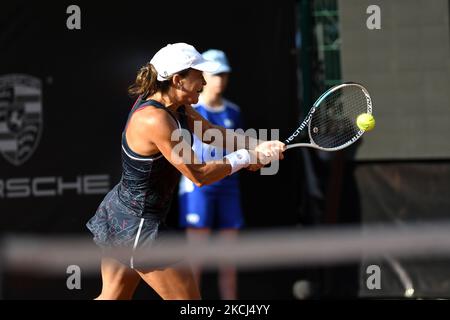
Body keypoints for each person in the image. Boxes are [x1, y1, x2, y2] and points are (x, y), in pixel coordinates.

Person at [86, 42, 285, 300]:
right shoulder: (155, 120)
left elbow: (210, 133)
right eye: (198, 75)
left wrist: (257, 144)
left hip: (121, 216)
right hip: (139, 227)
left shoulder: (176, 107)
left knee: (113, 298)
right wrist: (247, 157)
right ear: (178, 80)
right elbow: (198, 174)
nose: (204, 81)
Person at [178, 49, 244, 299]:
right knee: (196, 257)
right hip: (197, 188)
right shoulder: (186, 111)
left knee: (229, 259)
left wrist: (258, 152)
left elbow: (241, 146)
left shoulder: (234, 112)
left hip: (229, 187)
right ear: (202, 76)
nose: (219, 80)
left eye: (223, 74)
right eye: (214, 74)